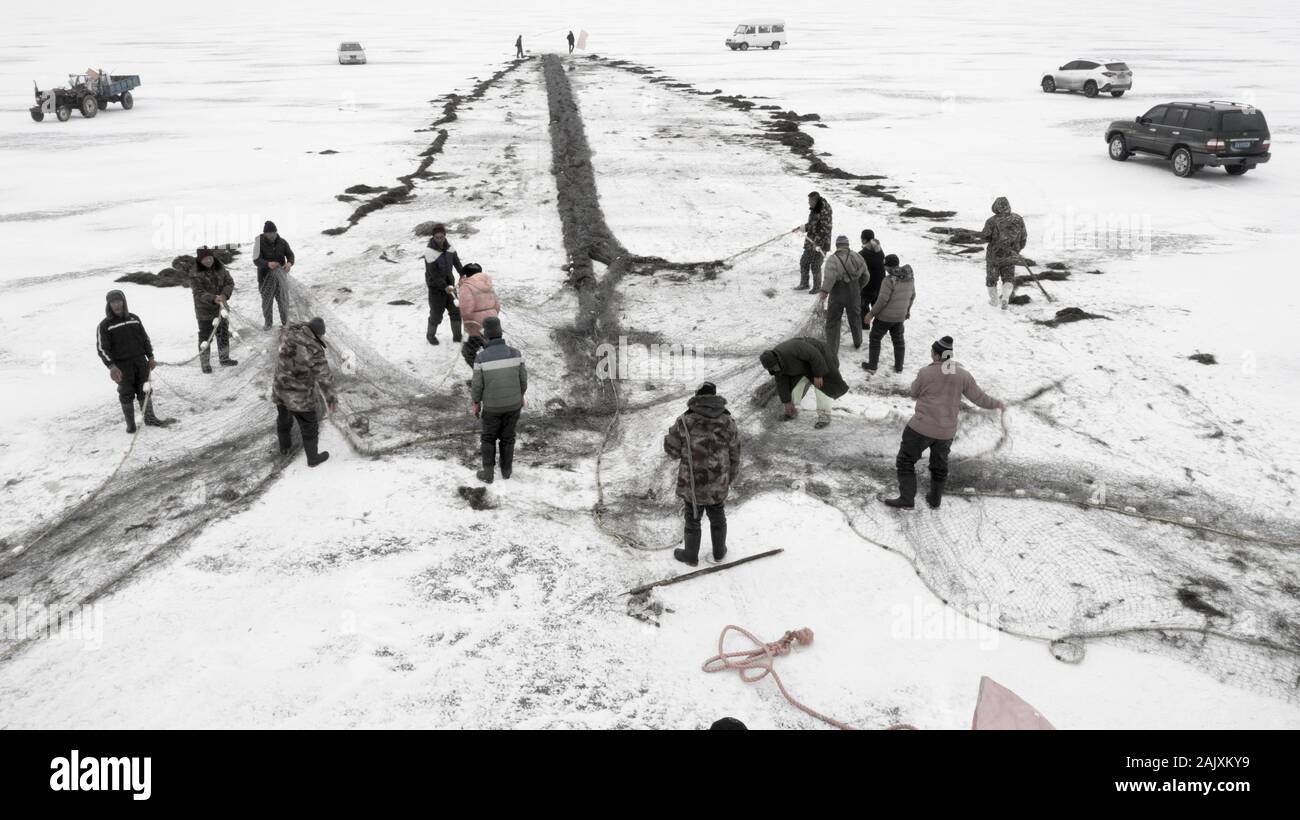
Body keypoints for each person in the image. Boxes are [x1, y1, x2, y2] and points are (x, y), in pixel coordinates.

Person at [883, 336, 1005, 509]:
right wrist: (998, 404)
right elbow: (979, 398)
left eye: (933, 352)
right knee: (939, 466)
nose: (931, 355)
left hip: (920, 429)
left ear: (938, 355)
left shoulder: (925, 372)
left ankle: (907, 499)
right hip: (946, 432)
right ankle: (934, 499)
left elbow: (913, 393)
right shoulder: (962, 374)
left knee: (905, 461)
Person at [663, 382, 739, 567]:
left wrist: (672, 440)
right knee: (718, 514)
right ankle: (719, 553)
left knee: (692, 517)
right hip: (718, 482)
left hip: (692, 483)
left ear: (696, 397)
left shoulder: (685, 421)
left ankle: (690, 555)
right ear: (715, 397)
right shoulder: (728, 421)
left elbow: (671, 451)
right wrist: (730, 477)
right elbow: (735, 452)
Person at [96, 289, 174, 432]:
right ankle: (131, 425)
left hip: (140, 362)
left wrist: (150, 357)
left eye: (119, 301)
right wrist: (112, 366)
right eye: (113, 302)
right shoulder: (104, 325)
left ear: (124, 302)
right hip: (122, 366)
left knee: (145, 390)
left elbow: (145, 339)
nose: (117, 305)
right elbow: (102, 349)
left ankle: (150, 418)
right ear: (109, 305)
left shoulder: (134, 318)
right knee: (126, 393)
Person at [272, 317, 337, 467]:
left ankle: (284, 448)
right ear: (317, 334)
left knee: (284, 418)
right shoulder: (314, 349)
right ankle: (313, 458)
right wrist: (331, 398)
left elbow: (286, 328)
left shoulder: (287, 333)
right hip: (299, 395)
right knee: (309, 425)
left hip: (280, 388)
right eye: (321, 335)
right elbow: (324, 376)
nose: (321, 337)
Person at [471, 317, 527, 484]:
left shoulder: (480, 358)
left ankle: (488, 474)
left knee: (488, 438)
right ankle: (507, 471)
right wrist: (520, 396)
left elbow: (477, 385)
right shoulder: (516, 353)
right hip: (514, 405)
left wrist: (476, 403)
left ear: (485, 336)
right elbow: (523, 380)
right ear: (501, 333)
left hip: (492, 407)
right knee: (508, 437)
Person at [758, 337, 848, 429]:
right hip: (803, 365)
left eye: (774, 366)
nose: (774, 370)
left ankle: (824, 417)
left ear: (777, 360)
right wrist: (787, 402)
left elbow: (814, 355)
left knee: (823, 387)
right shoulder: (777, 367)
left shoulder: (792, 348)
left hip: (821, 357)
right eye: (771, 369)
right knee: (794, 387)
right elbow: (782, 383)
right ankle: (792, 411)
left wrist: (818, 374)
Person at [862, 254, 915, 375]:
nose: (884, 268)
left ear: (888, 266)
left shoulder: (889, 280)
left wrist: (870, 314)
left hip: (884, 318)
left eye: (885, 266)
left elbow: (882, 300)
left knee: (875, 339)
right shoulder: (910, 277)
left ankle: (872, 366)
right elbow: (912, 296)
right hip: (900, 317)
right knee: (899, 341)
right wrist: (907, 310)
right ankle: (899, 367)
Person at [818, 235, 867, 355]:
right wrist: (858, 287)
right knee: (855, 317)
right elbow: (866, 275)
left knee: (833, 321)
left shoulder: (833, 259)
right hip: (854, 291)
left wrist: (824, 292)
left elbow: (830, 278)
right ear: (847, 244)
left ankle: (832, 349)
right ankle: (858, 341)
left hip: (837, 292)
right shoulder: (857, 256)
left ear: (837, 245)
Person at [191, 247, 237, 374]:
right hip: (204, 311)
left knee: (223, 334)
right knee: (206, 337)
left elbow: (230, 282)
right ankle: (205, 364)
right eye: (205, 259)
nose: (209, 261)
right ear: (200, 260)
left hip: (221, 308)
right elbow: (198, 293)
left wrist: (224, 295)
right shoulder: (195, 273)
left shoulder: (220, 267)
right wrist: (213, 298)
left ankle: (224, 359)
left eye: (210, 258)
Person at [979, 196, 1026, 310]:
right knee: (1008, 278)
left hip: (994, 255)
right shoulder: (1018, 219)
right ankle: (1005, 298)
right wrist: (1018, 249)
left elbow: (985, 237)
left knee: (991, 279)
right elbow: (1023, 237)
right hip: (1011, 255)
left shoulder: (991, 221)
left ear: (996, 207)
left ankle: (994, 300)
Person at [423, 223, 464, 345]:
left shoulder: (450, 247)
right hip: (436, 288)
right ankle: (430, 336)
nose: (440, 240)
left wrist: (462, 274)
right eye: (437, 237)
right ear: (433, 237)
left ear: (445, 236)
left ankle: (457, 336)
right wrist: (444, 286)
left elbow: (456, 262)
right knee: (436, 315)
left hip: (450, 285)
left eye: (442, 237)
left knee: (456, 311)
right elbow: (433, 274)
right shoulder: (429, 251)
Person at [457, 263, 501, 368]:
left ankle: (481, 375)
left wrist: (468, 325)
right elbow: (497, 305)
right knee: (491, 349)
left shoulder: (466, 287)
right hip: (492, 323)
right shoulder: (488, 284)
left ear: (466, 275)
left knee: (468, 352)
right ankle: (493, 373)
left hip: (476, 325)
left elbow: (466, 310)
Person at [254, 220, 294, 330]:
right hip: (264, 279)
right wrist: (267, 264)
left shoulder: (282, 242)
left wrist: (289, 263)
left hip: (280, 278)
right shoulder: (259, 243)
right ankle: (268, 324)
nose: (271, 236)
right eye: (269, 234)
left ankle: (285, 323)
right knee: (267, 303)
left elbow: (290, 255)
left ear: (276, 232)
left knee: (283, 301)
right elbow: (256, 260)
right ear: (265, 234)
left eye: (273, 233)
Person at [795, 191, 832, 293]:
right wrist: (801, 228)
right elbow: (812, 224)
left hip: (821, 244)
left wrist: (817, 241)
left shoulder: (825, 211)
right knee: (804, 262)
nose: (809, 203)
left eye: (810, 201)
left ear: (816, 200)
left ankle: (817, 287)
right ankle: (804, 283)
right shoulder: (815, 209)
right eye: (808, 200)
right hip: (810, 242)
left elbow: (826, 229)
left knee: (816, 265)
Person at [859, 229, 886, 328]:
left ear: (864, 240)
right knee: (877, 307)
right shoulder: (880, 251)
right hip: (880, 284)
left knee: (863, 306)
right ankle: (880, 325)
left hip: (868, 285)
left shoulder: (863, 253)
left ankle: (864, 326)